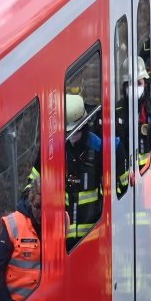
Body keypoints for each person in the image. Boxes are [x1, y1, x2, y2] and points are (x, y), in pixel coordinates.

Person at [0, 178, 42, 301]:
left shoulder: (59, 222)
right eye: (37, 206)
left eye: (45, 207)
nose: (41, 213)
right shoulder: (14, 224)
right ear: (30, 201)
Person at [64, 93, 102, 249]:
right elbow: (35, 178)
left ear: (83, 126)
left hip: (93, 235)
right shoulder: (55, 150)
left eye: (75, 132)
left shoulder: (98, 148)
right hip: (64, 241)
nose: (71, 137)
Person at [115, 57, 151, 195]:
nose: (135, 88)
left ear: (146, 84)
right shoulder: (116, 112)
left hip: (150, 175)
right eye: (130, 83)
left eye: (139, 83)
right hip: (126, 185)